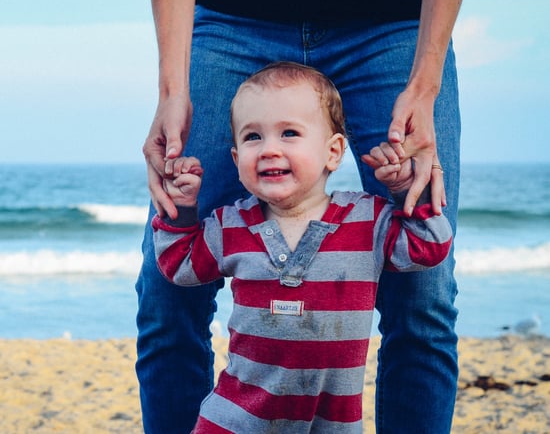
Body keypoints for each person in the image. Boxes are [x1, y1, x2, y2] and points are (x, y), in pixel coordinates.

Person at [137, 0, 476, 432]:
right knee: (165, 294)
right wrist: (172, 88)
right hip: (232, 19)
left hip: (393, 27)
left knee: (424, 298)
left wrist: (425, 82)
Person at [152, 63, 453, 433]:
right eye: (252, 137)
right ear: (235, 160)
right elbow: (179, 266)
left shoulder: (368, 221)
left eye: (289, 133)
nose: (268, 149)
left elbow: (429, 247)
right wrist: (182, 211)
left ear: (333, 152)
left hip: (331, 425)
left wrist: (407, 191)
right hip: (234, 421)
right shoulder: (230, 224)